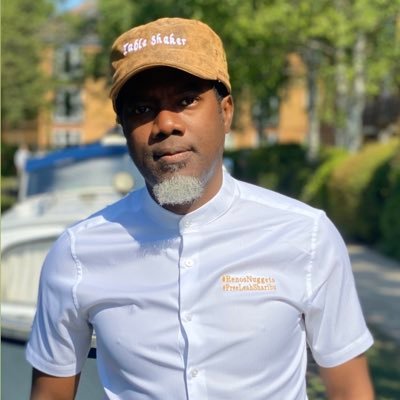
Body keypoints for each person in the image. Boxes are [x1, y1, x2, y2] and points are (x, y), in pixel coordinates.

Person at [26, 17, 374, 400]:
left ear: (226, 112)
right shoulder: (77, 253)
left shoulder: (306, 236)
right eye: (141, 108)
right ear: (122, 127)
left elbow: (351, 392)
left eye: (186, 100)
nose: (165, 123)